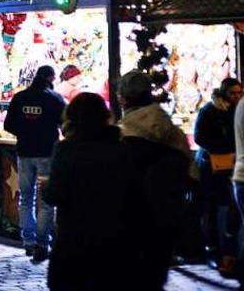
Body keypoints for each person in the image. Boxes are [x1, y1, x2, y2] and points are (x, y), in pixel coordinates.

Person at [43, 92, 136, 290]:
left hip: (74, 238)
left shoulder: (66, 149)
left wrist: (45, 187)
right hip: (113, 238)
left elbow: (56, 194)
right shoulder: (121, 149)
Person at [119, 70, 192, 288]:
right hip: (165, 220)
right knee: (153, 276)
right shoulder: (172, 133)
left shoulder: (121, 136)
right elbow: (191, 175)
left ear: (123, 98)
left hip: (130, 221)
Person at [2, 64, 65, 263]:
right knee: (46, 201)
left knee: (26, 198)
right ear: (50, 78)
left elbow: (8, 125)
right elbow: (65, 125)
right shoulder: (54, 99)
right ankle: (41, 243)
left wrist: (26, 132)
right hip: (47, 154)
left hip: (25, 153)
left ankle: (28, 242)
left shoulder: (20, 97)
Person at [194, 77, 242, 275]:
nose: (237, 97)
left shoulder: (236, 111)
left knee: (233, 206)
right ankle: (213, 251)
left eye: (239, 93)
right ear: (224, 93)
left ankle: (228, 250)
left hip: (230, 164)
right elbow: (199, 137)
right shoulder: (209, 111)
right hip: (210, 165)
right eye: (233, 93)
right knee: (210, 208)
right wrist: (222, 149)